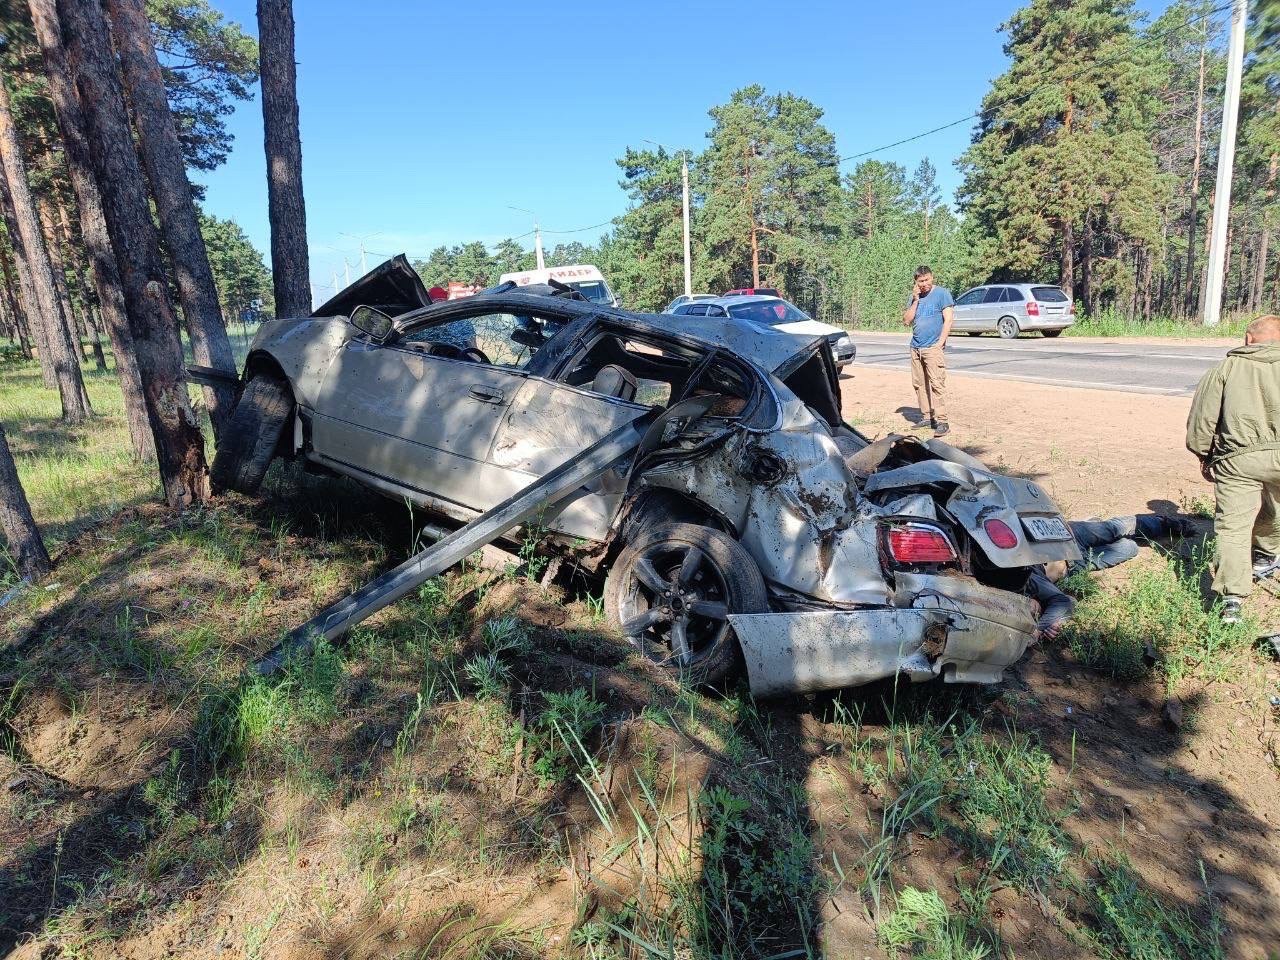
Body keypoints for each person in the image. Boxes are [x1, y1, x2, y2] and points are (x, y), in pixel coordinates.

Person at [1186, 314, 1280, 625]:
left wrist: (1202, 453)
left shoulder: (1224, 369)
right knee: (1277, 510)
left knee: (1233, 527)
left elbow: (1203, 419)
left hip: (1237, 459)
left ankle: (1232, 600)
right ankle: (1266, 556)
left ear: (1249, 339)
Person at [1027, 513, 1192, 639]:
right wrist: (1052, 623)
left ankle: (1161, 522)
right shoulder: (1026, 597)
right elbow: (1069, 602)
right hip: (1074, 566)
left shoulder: (1025, 579)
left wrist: (1037, 631)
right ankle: (1093, 523)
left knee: (1115, 528)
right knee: (1129, 548)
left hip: (1065, 538)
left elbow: (1062, 602)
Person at [902, 265, 955, 437]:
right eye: (920, 281)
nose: (924, 283)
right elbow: (906, 321)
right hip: (916, 347)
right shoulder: (914, 297)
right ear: (915, 282)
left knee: (936, 384)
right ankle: (927, 416)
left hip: (932, 347)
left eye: (926, 280)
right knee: (919, 384)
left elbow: (948, 320)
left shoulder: (942, 294)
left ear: (932, 278)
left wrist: (940, 343)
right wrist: (916, 300)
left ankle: (942, 421)